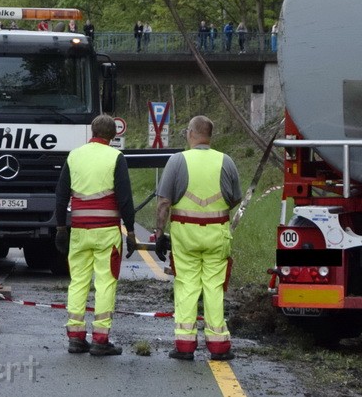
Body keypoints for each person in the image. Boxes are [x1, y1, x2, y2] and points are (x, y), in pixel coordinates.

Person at [153, 115, 241, 361]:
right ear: (209, 135)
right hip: (216, 236)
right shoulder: (226, 161)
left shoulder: (177, 161)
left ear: (191, 133)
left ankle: (184, 345)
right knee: (214, 287)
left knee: (187, 286)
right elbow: (235, 198)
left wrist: (159, 234)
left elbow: (163, 202)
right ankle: (219, 346)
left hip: (186, 237)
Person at [54, 114, 136, 356]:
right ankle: (101, 338)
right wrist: (130, 230)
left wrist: (60, 228)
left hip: (79, 231)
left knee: (78, 282)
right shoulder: (115, 157)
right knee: (105, 282)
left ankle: (76, 337)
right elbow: (125, 197)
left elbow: (61, 195)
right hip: (107, 233)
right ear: (113, 135)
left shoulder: (74, 155)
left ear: (92, 131)